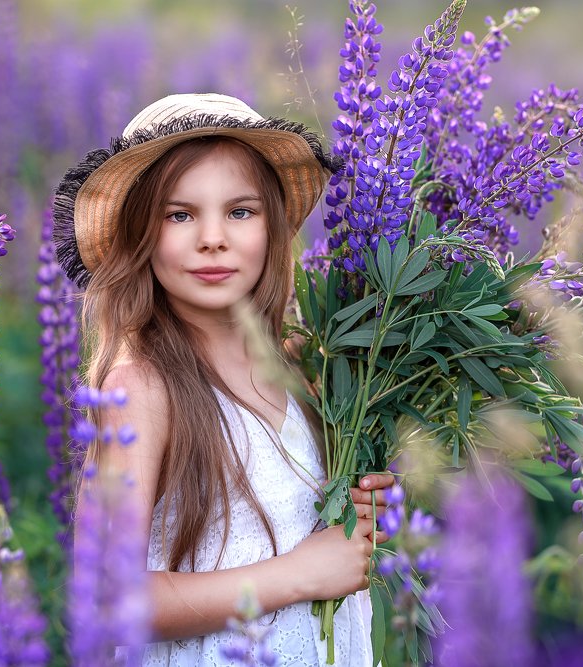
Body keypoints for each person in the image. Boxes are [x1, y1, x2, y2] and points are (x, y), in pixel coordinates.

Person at [54, 93, 398, 665]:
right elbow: (107, 600)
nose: (212, 237)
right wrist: (298, 574)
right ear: (140, 236)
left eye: (240, 212)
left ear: (273, 229)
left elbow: (299, 518)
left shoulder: (302, 365)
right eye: (179, 214)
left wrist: (356, 508)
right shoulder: (141, 387)